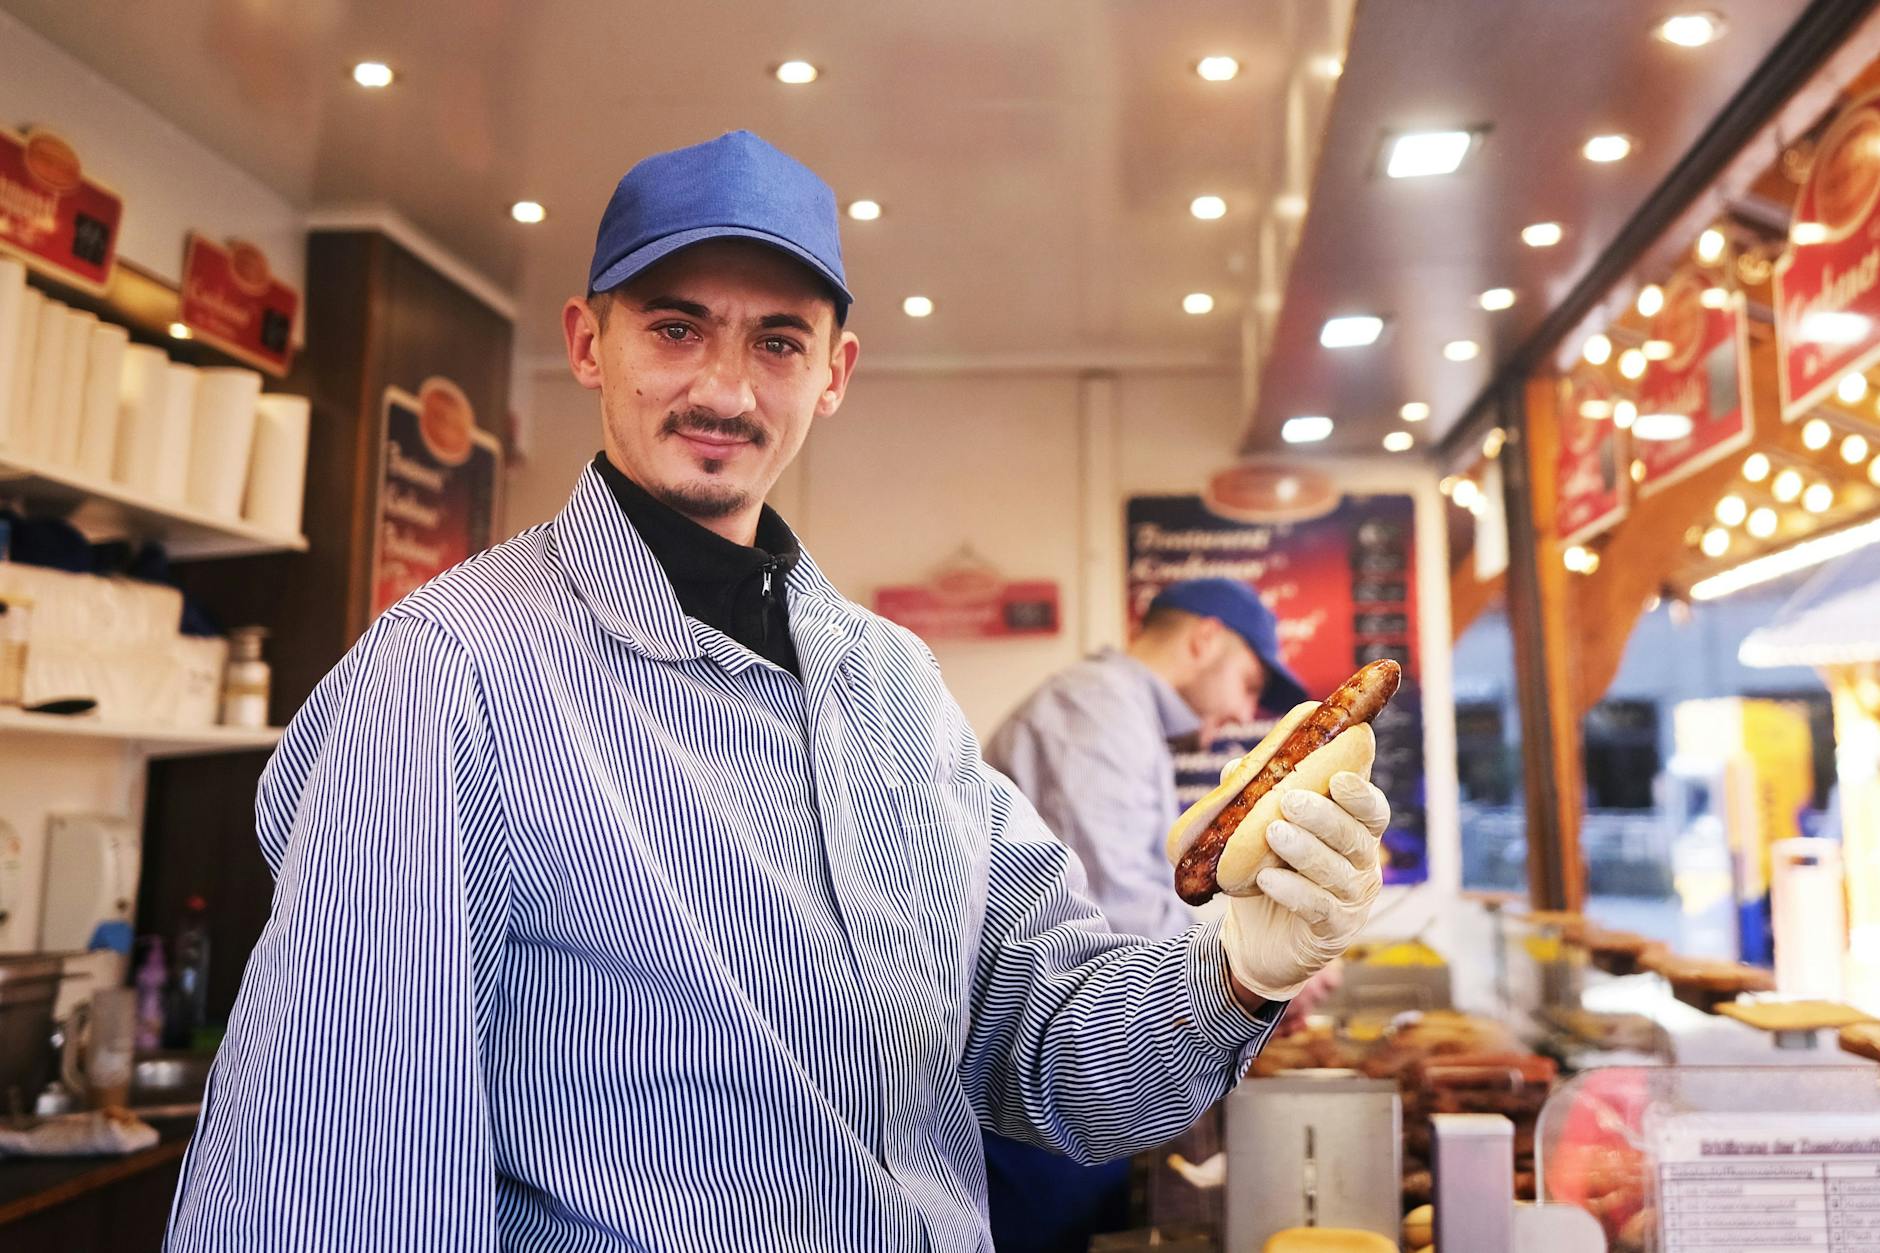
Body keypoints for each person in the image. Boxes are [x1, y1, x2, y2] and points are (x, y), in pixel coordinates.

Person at [164, 131, 1389, 1252]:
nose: (725, 391)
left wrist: (1238, 968)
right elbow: (325, 1182)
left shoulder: (895, 684)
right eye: (675, 328)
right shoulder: (448, 678)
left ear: (835, 371)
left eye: (777, 342)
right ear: (590, 341)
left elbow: (1054, 1050)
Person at [978, 579, 1313, 1250]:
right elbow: (1124, 917)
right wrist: (1244, 957)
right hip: (1040, 1081)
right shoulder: (1094, 709)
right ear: (1204, 638)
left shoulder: (1120, 711)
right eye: (1250, 683)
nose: (1247, 707)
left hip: (1073, 1062)